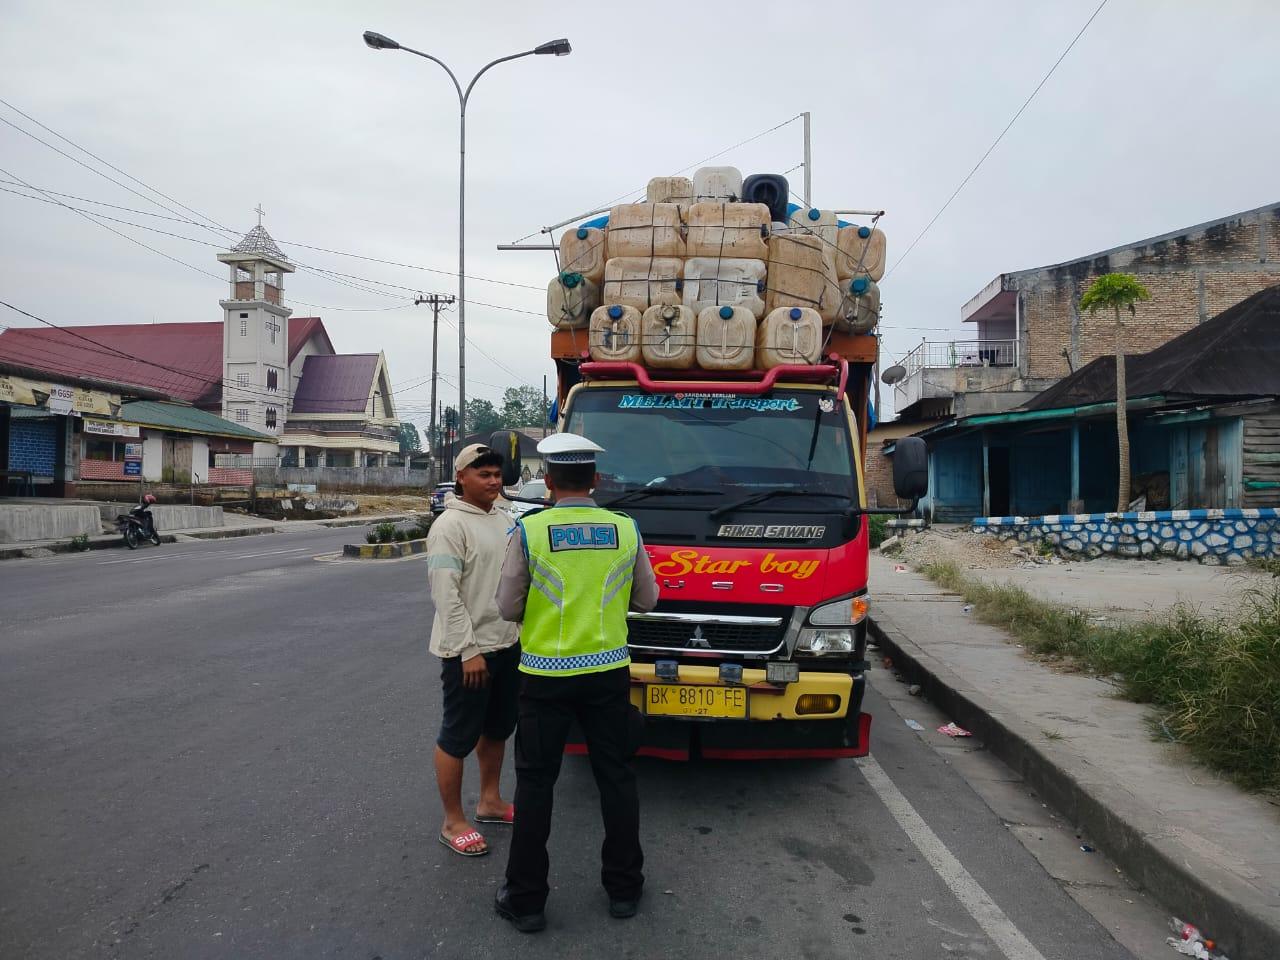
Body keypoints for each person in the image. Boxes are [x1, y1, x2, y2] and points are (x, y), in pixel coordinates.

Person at [493, 432, 659, 933]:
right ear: (596, 479)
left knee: (535, 784)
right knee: (617, 777)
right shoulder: (625, 530)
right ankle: (624, 889)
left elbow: (507, 607)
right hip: (607, 674)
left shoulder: (530, 531)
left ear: (548, 481)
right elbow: (647, 600)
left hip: (545, 676)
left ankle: (526, 901)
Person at [426, 443, 521, 858]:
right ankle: (453, 821)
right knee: (458, 735)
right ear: (461, 477)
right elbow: (445, 595)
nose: (493, 481)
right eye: (484, 474)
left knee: (498, 728)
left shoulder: (505, 519)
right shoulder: (449, 526)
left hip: (507, 644)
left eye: (497, 474)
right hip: (466, 653)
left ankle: (490, 801)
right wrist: (468, 650)